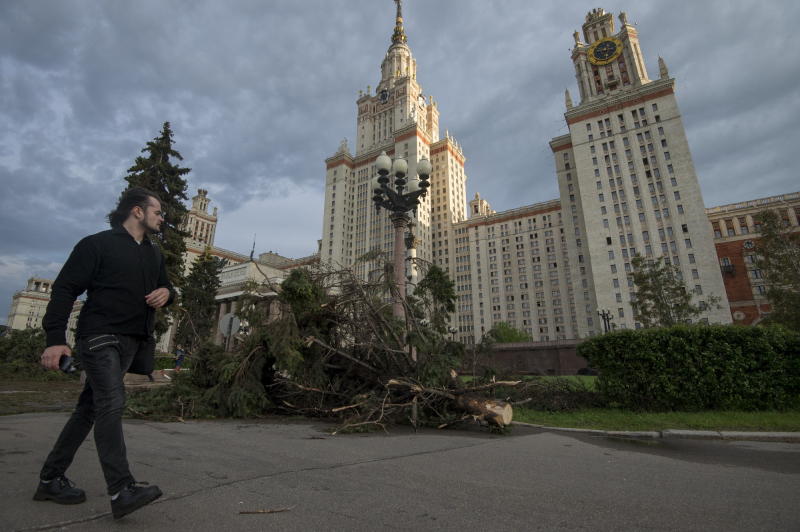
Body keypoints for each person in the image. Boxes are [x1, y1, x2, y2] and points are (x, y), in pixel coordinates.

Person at [35, 187, 173, 520]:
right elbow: (66, 288)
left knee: (89, 409)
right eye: (157, 211)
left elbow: (168, 287)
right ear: (137, 211)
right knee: (111, 400)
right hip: (99, 336)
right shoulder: (97, 244)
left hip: (131, 341)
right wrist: (55, 338)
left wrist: (167, 292)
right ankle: (121, 489)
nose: (161, 216)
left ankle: (50, 478)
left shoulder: (154, 254)